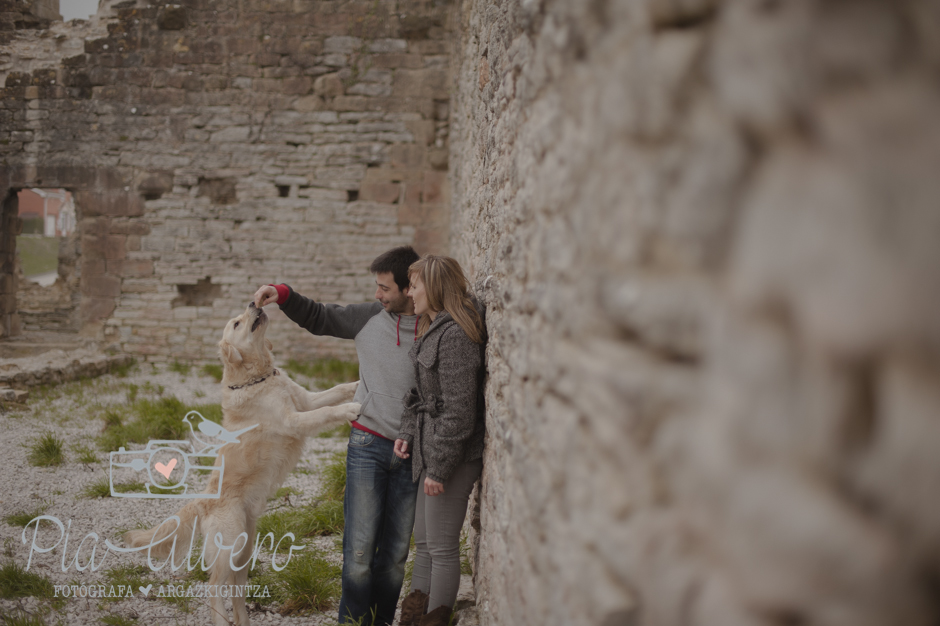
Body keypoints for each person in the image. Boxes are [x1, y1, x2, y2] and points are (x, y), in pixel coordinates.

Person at [253, 246, 422, 626]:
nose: (377, 295)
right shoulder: (369, 317)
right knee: (359, 555)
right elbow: (320, 316)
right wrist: (283, 294)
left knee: (394, 558)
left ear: (409, 287)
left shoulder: (434, 326)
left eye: (384, 288)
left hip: (413, 453)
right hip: (368, 445)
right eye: (375, 287)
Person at [393, 255, 486, 626]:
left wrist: (441, 468)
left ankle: (432, 621)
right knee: (426, 545)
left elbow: (461, 411)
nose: (409, 292)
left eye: (414, 285)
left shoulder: (458, 335)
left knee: (443, 548)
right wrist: (405, 432)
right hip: (429, 452)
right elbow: (419, 391)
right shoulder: (433, 327)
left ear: (433, 286)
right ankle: (413, 619)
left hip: (453, 457)